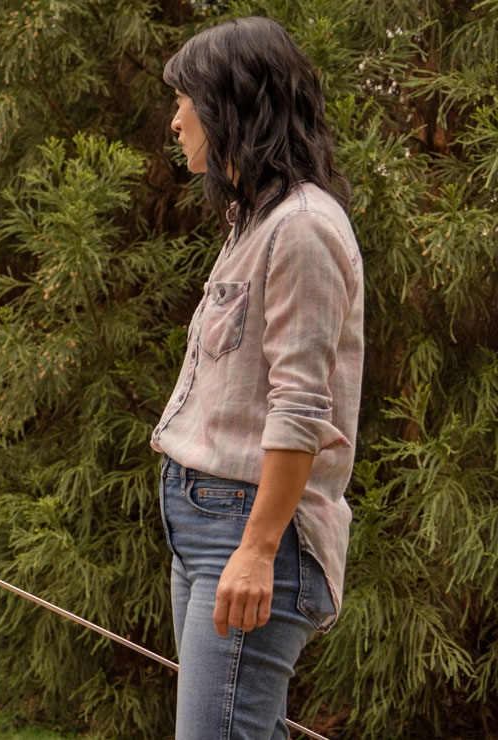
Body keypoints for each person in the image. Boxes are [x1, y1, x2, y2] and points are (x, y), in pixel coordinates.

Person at [151, 16, 363, 740]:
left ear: (231, 106)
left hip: (247, 528)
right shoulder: (253, 222)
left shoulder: (302, 228)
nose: (175, 118)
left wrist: (259, 547)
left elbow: (301, 405)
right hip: (207, 526)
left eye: (186, 99)